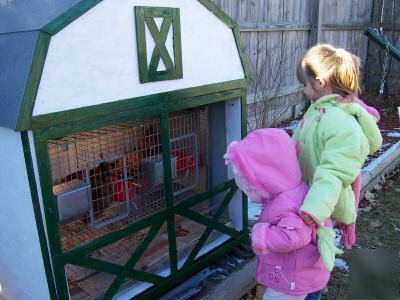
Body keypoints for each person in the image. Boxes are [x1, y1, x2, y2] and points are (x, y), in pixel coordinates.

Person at [293, 44, 382, 299]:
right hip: (307, 199)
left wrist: (315, 209)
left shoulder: (342, 123)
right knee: (301, 265)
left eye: (305, 84)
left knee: (311, 269)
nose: (303, 89)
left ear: (320, 83)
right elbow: (298, 146)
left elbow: (334, 171)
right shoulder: (318, 111)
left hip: (321, 208)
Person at [224, 128, 331, 300]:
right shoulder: (295, 189)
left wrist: (263, 235)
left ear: (267, 175)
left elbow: (294, 236)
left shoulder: (285, 203)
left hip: (291, 278)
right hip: (305, 271)